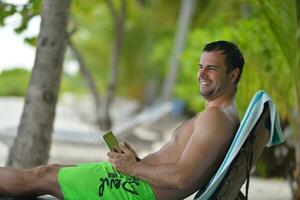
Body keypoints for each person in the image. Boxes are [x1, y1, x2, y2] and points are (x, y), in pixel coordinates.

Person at [0, 40, 244, 200]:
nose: (201, 74)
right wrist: (136, 162)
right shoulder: (220, 116)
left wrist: (133, 168)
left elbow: (183, 178)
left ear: (233, 75)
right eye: (200, 66)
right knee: (47, 173)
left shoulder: (215, 118)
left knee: (43, 176)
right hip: (137, 182)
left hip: (135, 191)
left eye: (211, 68)